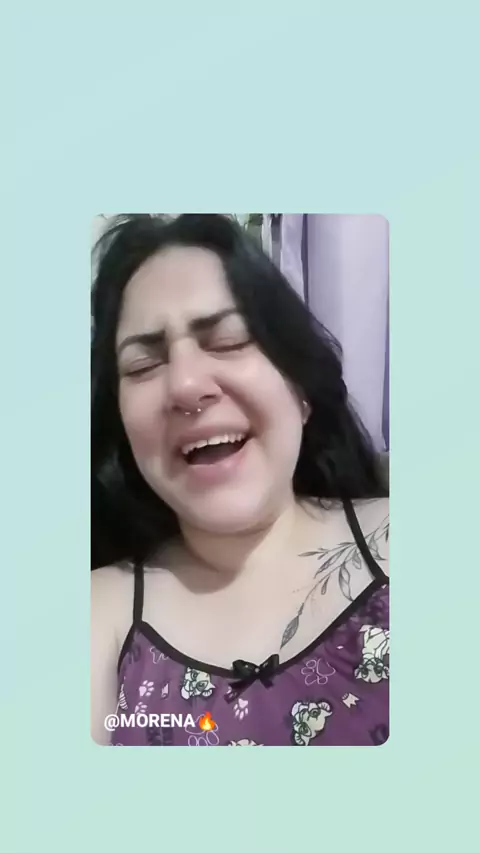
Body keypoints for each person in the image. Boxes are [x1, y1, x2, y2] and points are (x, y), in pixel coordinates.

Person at [91, 213, 389, 747]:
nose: (186, 385)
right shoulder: (96, 614)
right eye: (142, 366)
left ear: (300, 387)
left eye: (229, 340)